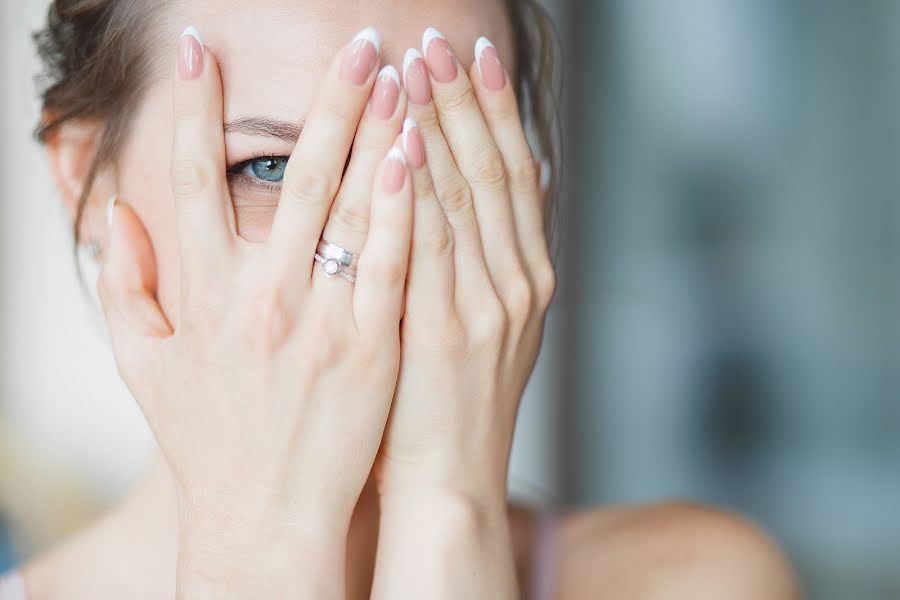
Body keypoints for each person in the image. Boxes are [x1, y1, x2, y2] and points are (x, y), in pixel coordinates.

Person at [1, 1, 799, 598]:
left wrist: (448, 516)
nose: (378, 252)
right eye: (272, 169)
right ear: (86, 177)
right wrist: (265, 547)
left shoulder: (692, 581)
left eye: (439, 164)